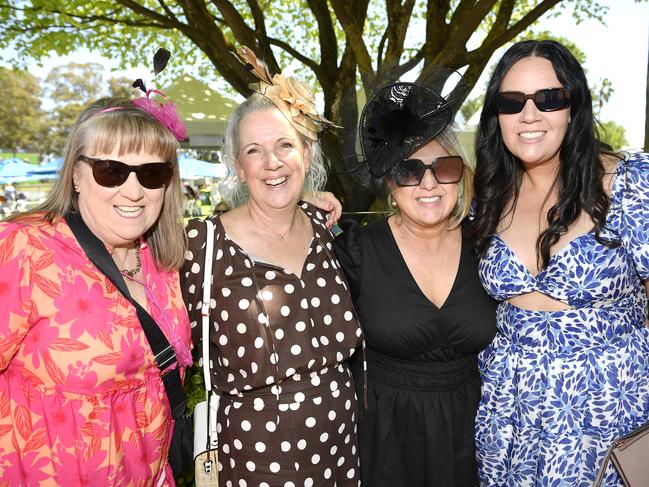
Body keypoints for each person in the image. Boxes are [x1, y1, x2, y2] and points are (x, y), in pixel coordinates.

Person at [180, 47, 363, 485]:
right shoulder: (201, 245)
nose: (272, 162)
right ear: (239, 167)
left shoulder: (329, 231)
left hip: (344, 452)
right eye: (254, 151)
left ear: (305, 152)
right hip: (254, 462)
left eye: (285, 145)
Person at [471, 39, 649, 486]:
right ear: (497, 116)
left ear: (574, 106)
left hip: (609, 414)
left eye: (549, 98)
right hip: (511, 420)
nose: (529, 115)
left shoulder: (630, 184)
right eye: (512, 102)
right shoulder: (487, 196)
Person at [0, 96, 192, 485]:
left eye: (152, 173)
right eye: (111, 171)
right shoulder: (25, 248)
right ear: (75, 174)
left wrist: (300, 203)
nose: (134, 191)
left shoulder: (164, 261)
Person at [333, 81, 497, 486]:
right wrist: (306, 208)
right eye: (409, 170)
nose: (429, 184)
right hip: (386, 441)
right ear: (390, 183)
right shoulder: (356, 252)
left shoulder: (489, 249)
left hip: (474, 440)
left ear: (460, 174)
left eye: (444, 168)